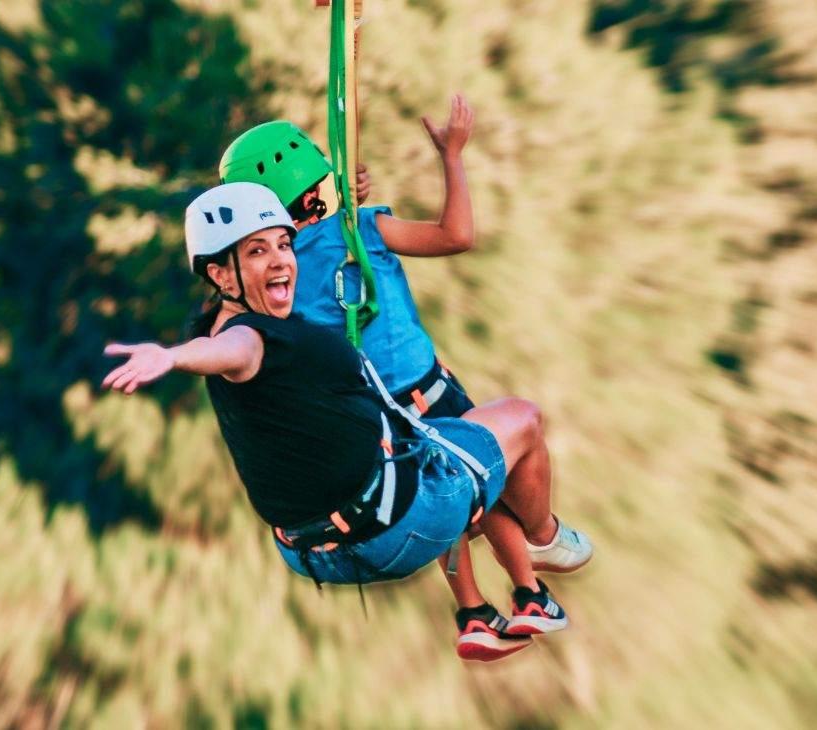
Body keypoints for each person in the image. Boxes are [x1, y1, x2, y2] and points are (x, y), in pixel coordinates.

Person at [103, 183, 579, 660]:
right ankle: (541, 540)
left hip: (317, 552)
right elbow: (230, 352)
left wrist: (337, 193)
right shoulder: (247, 336)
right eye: (256, 251)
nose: (280, 260)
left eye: (283, 245)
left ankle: (476, 613)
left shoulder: (233, 320)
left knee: (424, 443)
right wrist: (173, 358)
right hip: (398, 525)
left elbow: (228, 341)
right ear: (221, 275)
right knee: (523, 420)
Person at [215, 97, 591, 653]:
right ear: (317, 188)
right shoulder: (362, 230)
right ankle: (532, 585)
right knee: (483, 490)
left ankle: (473, 613)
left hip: (373, 416)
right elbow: (456, 235)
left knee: (439, 496)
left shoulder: (272, 280)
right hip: (426, 389)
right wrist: (452, 157)